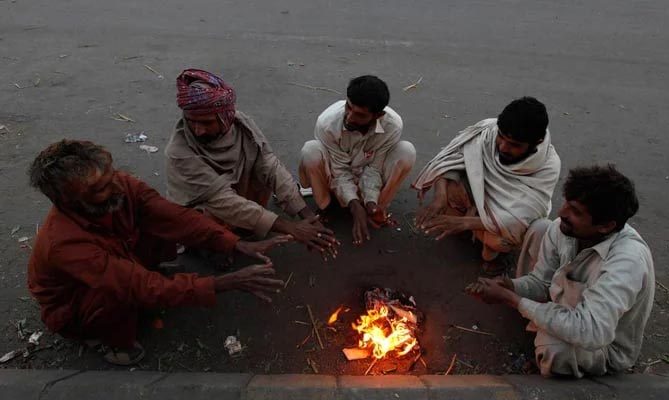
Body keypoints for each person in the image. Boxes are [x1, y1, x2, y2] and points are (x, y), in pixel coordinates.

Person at [27, 140, 291, 366]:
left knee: (164, 225)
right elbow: (138, 285)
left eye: (112, 175)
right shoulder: (63, 244)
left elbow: (174, 217)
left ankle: (156, 287)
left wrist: (234, 243)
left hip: (122, 265)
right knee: (121, 292)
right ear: (70, 201)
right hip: (80, 303)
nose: (117, 188)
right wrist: (227, 282)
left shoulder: (121, 186)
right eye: (100, 189)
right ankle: (105, 339)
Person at [466, 165, 655, 378]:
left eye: (576, 212)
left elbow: (591, 332)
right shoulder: (562, 230)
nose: (562, 212)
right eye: (567, 203)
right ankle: (541, 326)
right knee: (541, 228)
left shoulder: (627, 261)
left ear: (605, 226)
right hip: (568, 312)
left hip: (602, 345)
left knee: (555, 349)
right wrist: (511, 286)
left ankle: (550, 362)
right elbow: (542, 283)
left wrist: (512, 300)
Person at [166, 68, 338, 259]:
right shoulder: (179, 152)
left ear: (226, 118)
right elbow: (222, 200)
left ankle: (245, 227)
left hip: (237, 194)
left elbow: (270, 166)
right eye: (191, 121)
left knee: (263, 173)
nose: (198, 130)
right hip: (209, 205)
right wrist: (290, 227)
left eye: (206, 123)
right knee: (204, 217)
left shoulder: (242, 125)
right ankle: (218, 246)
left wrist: (307, 216)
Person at [413, 96, 561, 270]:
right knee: (451, 185)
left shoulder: (548, 166)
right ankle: (468, 226)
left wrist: (465, 223)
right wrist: (440, 197)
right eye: (501, 137)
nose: (503, 147)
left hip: (505, 214)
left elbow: (520, 219)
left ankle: (486, 245)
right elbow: (449, 160)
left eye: (514, 145)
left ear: (537, 142)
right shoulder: (487, 131)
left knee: (500, 240)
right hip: (475, 199)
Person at [299, 75, 416, 244]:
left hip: (366, 175)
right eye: (349, 107)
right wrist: (354, 204)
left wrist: (370, 202)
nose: (349, 117)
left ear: (378, 116)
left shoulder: (392, 125)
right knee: (311, 151)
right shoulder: (327, 122)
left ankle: (377, 209)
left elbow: (375, 168)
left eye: (360, 115)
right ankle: (327, 206)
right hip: (334, 176)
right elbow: (339, 170)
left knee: (407, 152)